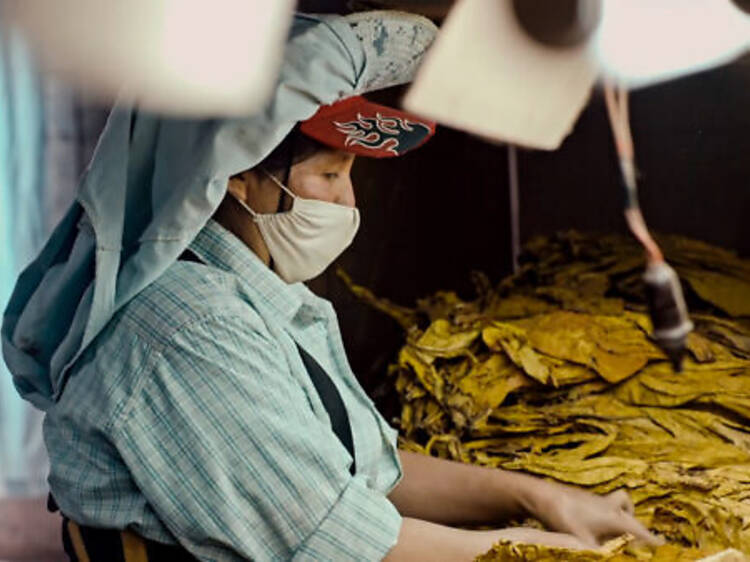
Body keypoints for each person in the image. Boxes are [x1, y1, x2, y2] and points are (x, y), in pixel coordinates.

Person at [2, 11, 659, 561]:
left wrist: (537, 497)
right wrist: (528, 549)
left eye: (352, 178)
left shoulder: (256, 294)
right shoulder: (184, 328)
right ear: (234, 174)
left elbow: (362, 472)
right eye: (329, 177)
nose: (347, 205)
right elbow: (334, 540)